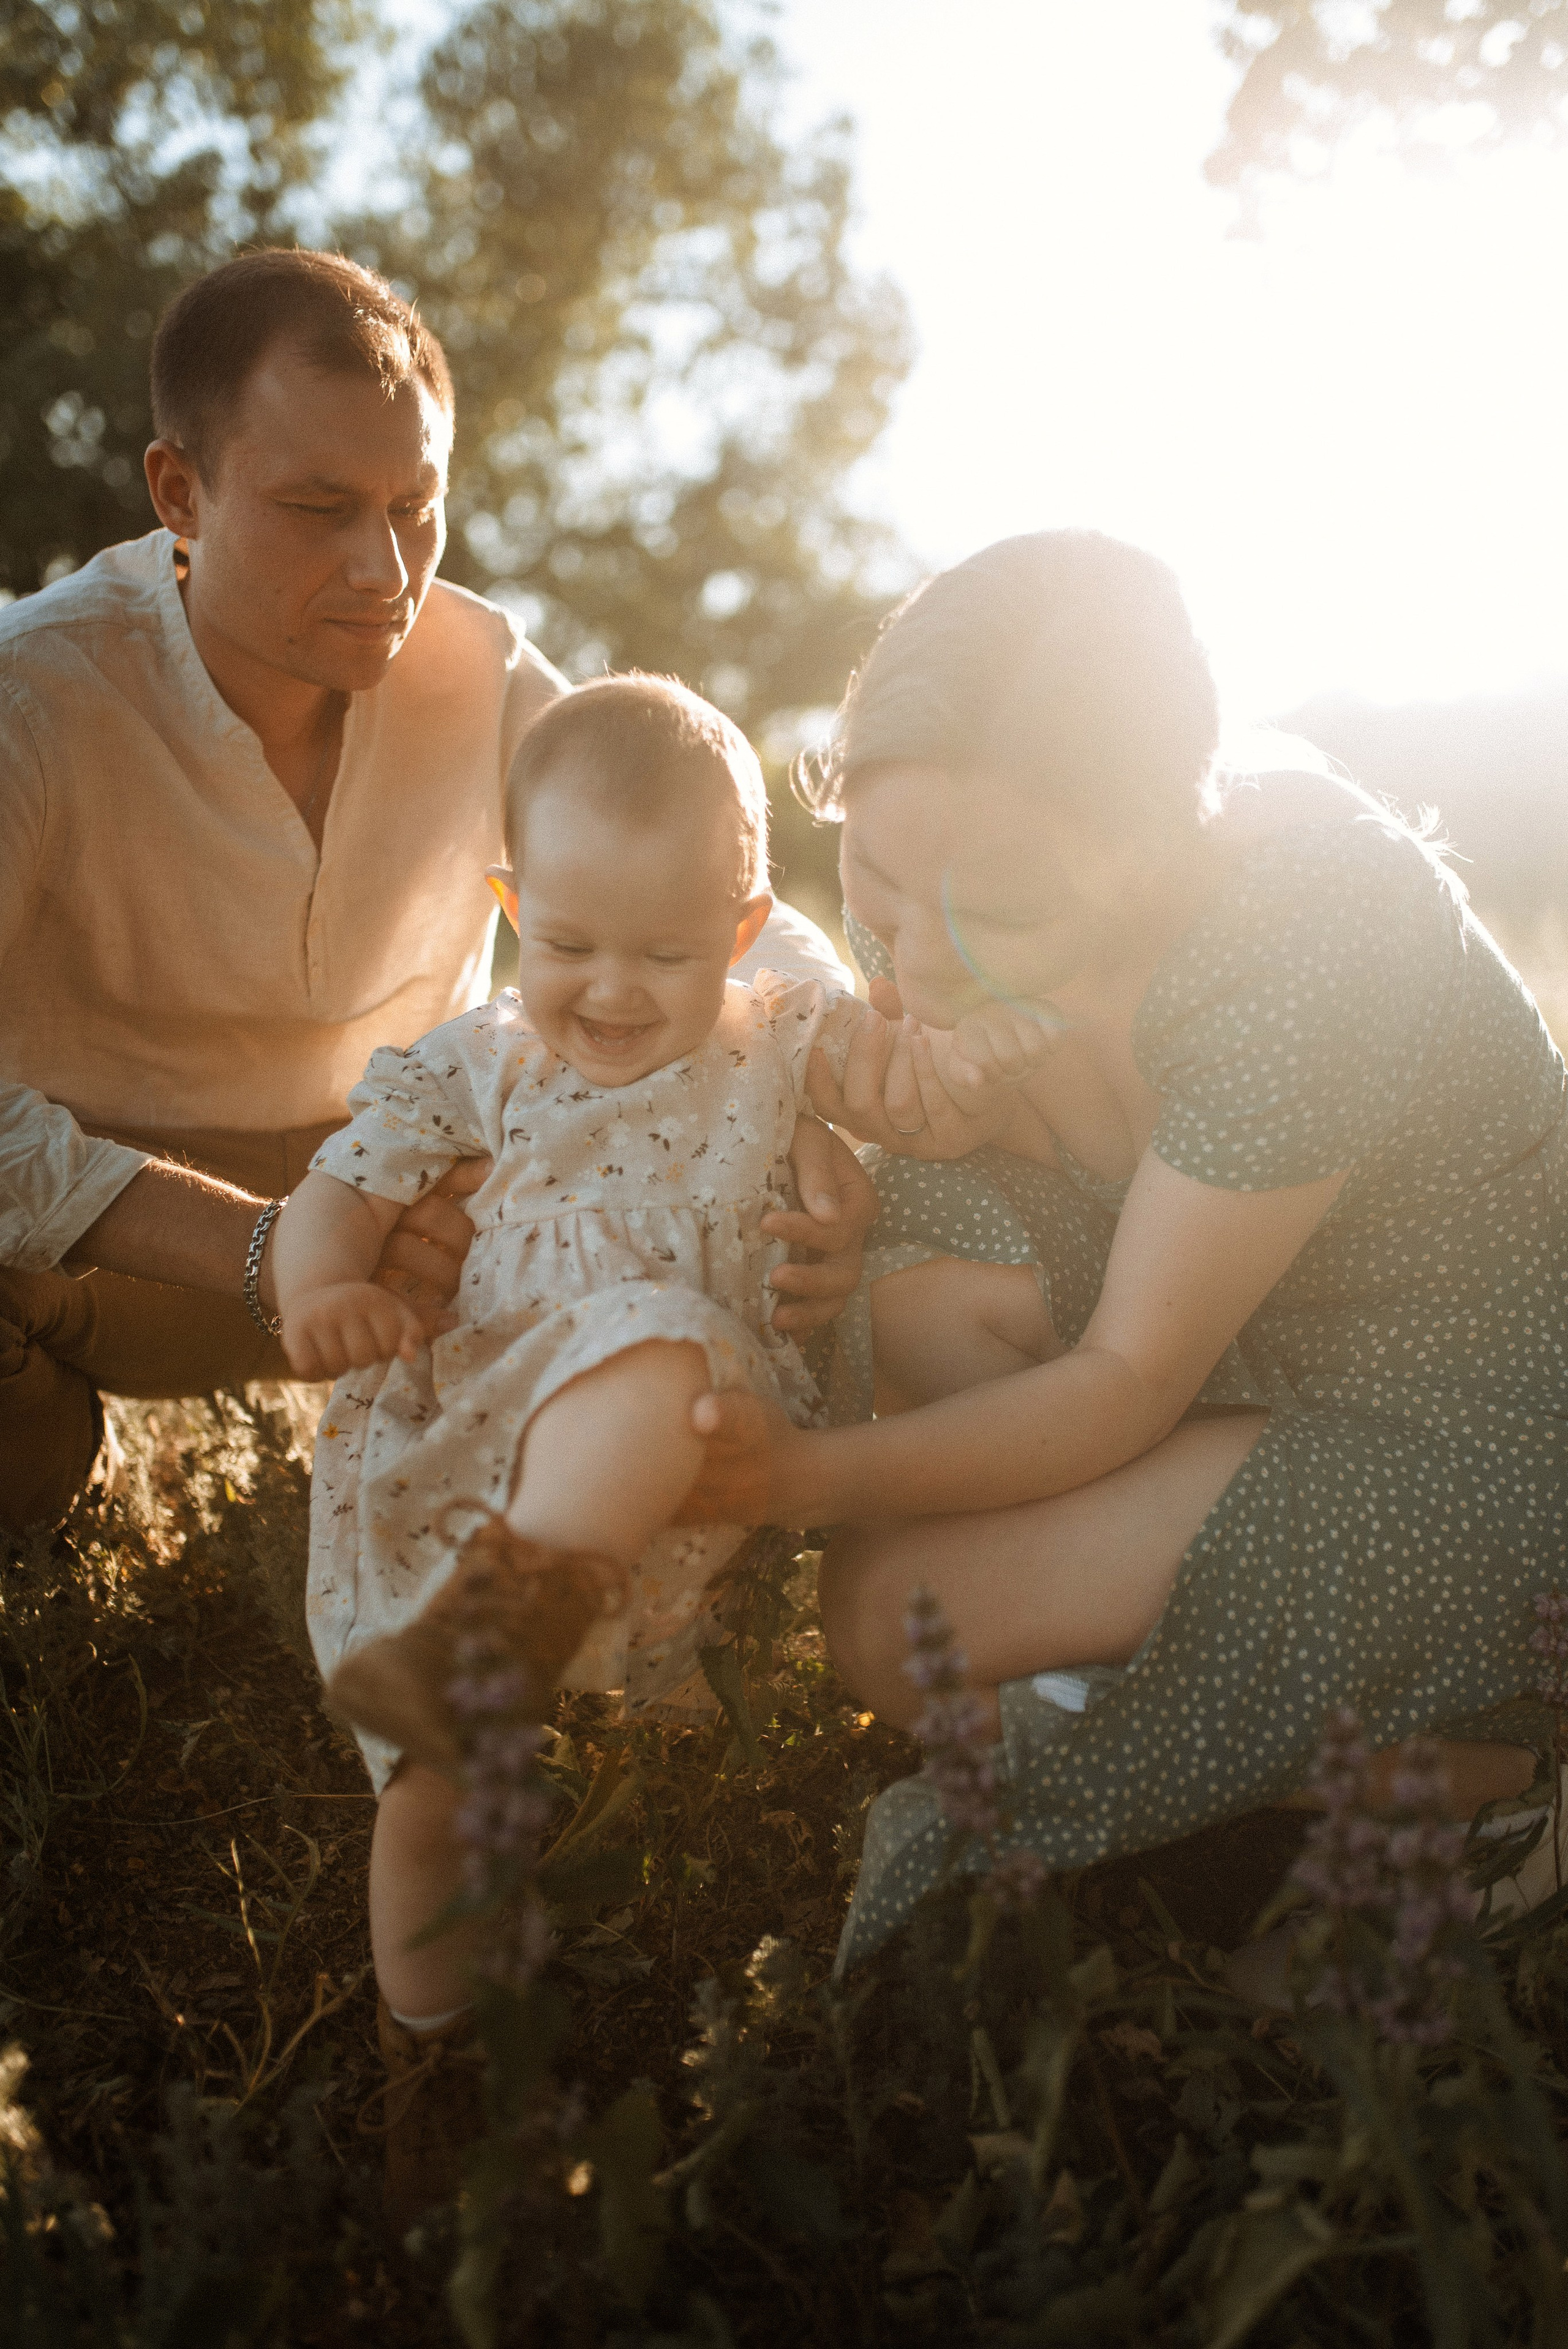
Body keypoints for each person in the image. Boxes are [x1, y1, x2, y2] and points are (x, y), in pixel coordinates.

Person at [682, 529, 1563, 1973]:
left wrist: (801, 1479)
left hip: (1473, 1437)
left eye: (998, 917)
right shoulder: (1052, 876)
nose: (913, 966)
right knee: (907, 1281)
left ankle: (1489, 1773)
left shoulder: (1310, 934)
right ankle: (1197, 1695)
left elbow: (1127, 1373)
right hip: (1270, 1348)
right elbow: (973, 1124)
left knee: (881, 1618)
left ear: (1150, 844)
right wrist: (872, 1142)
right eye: (880, 890)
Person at [0, 248, 872, 1534]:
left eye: (415, 505)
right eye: (318, 507)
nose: (384, 570)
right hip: (115, 1245)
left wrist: (834, 1085)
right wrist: (270, 1247)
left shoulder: (483, 665)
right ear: (178, 491)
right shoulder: (35, 696)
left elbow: (705, 872)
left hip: (439, 1228)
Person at [267, 675, 865, 2219]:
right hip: (472, 1440)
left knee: (657, 1346)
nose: (607, 989)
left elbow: (887, 1092)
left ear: (740, 935)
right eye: (569, 943)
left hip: (685, 1464)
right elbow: (342, 1183)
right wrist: (322, 1283)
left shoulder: (774, 1045)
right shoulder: (476, 1060)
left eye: (664, 952)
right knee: (435, 1791)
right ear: (509, 905)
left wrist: (877, 1166)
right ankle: (430, 2054)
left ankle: (523, 1643)